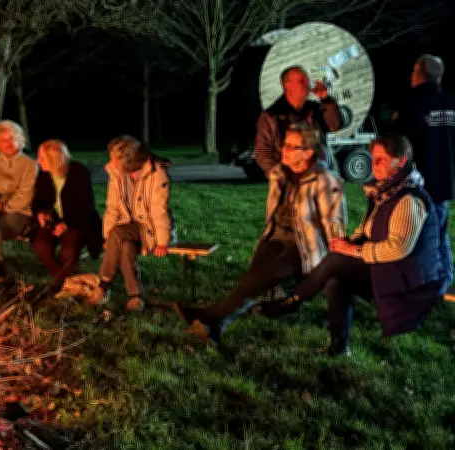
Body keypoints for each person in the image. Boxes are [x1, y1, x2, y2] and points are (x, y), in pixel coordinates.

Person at [255, 135, 452, 356]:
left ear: (402, 161)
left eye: (383, 159)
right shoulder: (386, 191)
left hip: (408, 278)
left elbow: (398, 249)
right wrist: (348, 241)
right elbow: (368, 228)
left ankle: (293, 300)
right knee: (335, 280)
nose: (375, 164)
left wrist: (353, 250)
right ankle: (339, 347)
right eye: (373, 158)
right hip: (388, 267)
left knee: (336, 261)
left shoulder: (408, 199)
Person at [176, 124, 346, 344]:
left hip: (305, 246)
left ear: (308, 153)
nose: (284, 150)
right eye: (284, 144)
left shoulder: (325, 180)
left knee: (260, 279)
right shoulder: (280, 174)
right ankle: (217, 327)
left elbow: (334, 223)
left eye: (292, 146)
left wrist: (334, 256)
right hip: (276, 237)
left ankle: (208, 315)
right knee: (252, 280)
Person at [391, 54, 455, 282]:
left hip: (418, 184)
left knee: (421, 237)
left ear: (418, 73)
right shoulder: (451, 103)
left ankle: (429, 281)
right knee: (439, 232)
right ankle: (445, 277)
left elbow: (397, 145)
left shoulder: (410, 103)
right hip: (445, 182)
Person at [97, 136, 175, 311]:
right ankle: (135, 296)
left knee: (117, 233)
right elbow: (112, 207)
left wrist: (162, 241)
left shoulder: (156, 173)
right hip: (127, 227)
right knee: (125, 246)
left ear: (128, 160)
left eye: (114, 158)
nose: (111, 162)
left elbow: (158, 210)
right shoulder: (117, 173)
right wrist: (107, 238)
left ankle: (104, 282)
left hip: (150, 228)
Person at [30, 140, 103, 296]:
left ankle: (57, 284)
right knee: (41, 244)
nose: (38, 161)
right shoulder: (44, 174)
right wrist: (41, 213)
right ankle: (68, 282)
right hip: (53, 221)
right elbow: (37, 202)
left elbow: (87, 208)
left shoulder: (79, 173)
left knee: (69, 250)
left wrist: (66, 224)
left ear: (54, 159)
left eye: (42, 158)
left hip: (77, 221)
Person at [0, 120, 38, 298]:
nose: (7, 144)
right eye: (3, 140)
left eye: (11, 139)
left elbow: (26, 196)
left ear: (20, 140)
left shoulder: (30, 165)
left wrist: (4, 206)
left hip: (19, 212)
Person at [254, 66, 342, 175]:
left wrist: (326, 99)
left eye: (307, 79)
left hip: (319, 174)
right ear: (287, 85)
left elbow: (334, 126)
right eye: (302, 81)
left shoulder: (314, 109)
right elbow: (263, 152)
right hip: (291, 178)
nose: (308, 83)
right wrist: (281, 176)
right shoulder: (272, 116)